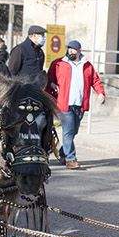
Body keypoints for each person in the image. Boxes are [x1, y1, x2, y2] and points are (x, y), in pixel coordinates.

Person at [45, 39, 106, 169]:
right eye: (69, 49)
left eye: (73, 49)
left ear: (79, 51)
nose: (71, 51)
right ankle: (71, 159)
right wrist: (52, 85)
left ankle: (63, 153)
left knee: (73, 131)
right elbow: (49, 79)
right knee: (68, 131)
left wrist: (101, 93)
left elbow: (95, 81)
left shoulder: (87, 65)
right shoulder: (59, 63)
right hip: (64, 103)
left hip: (80, 104)